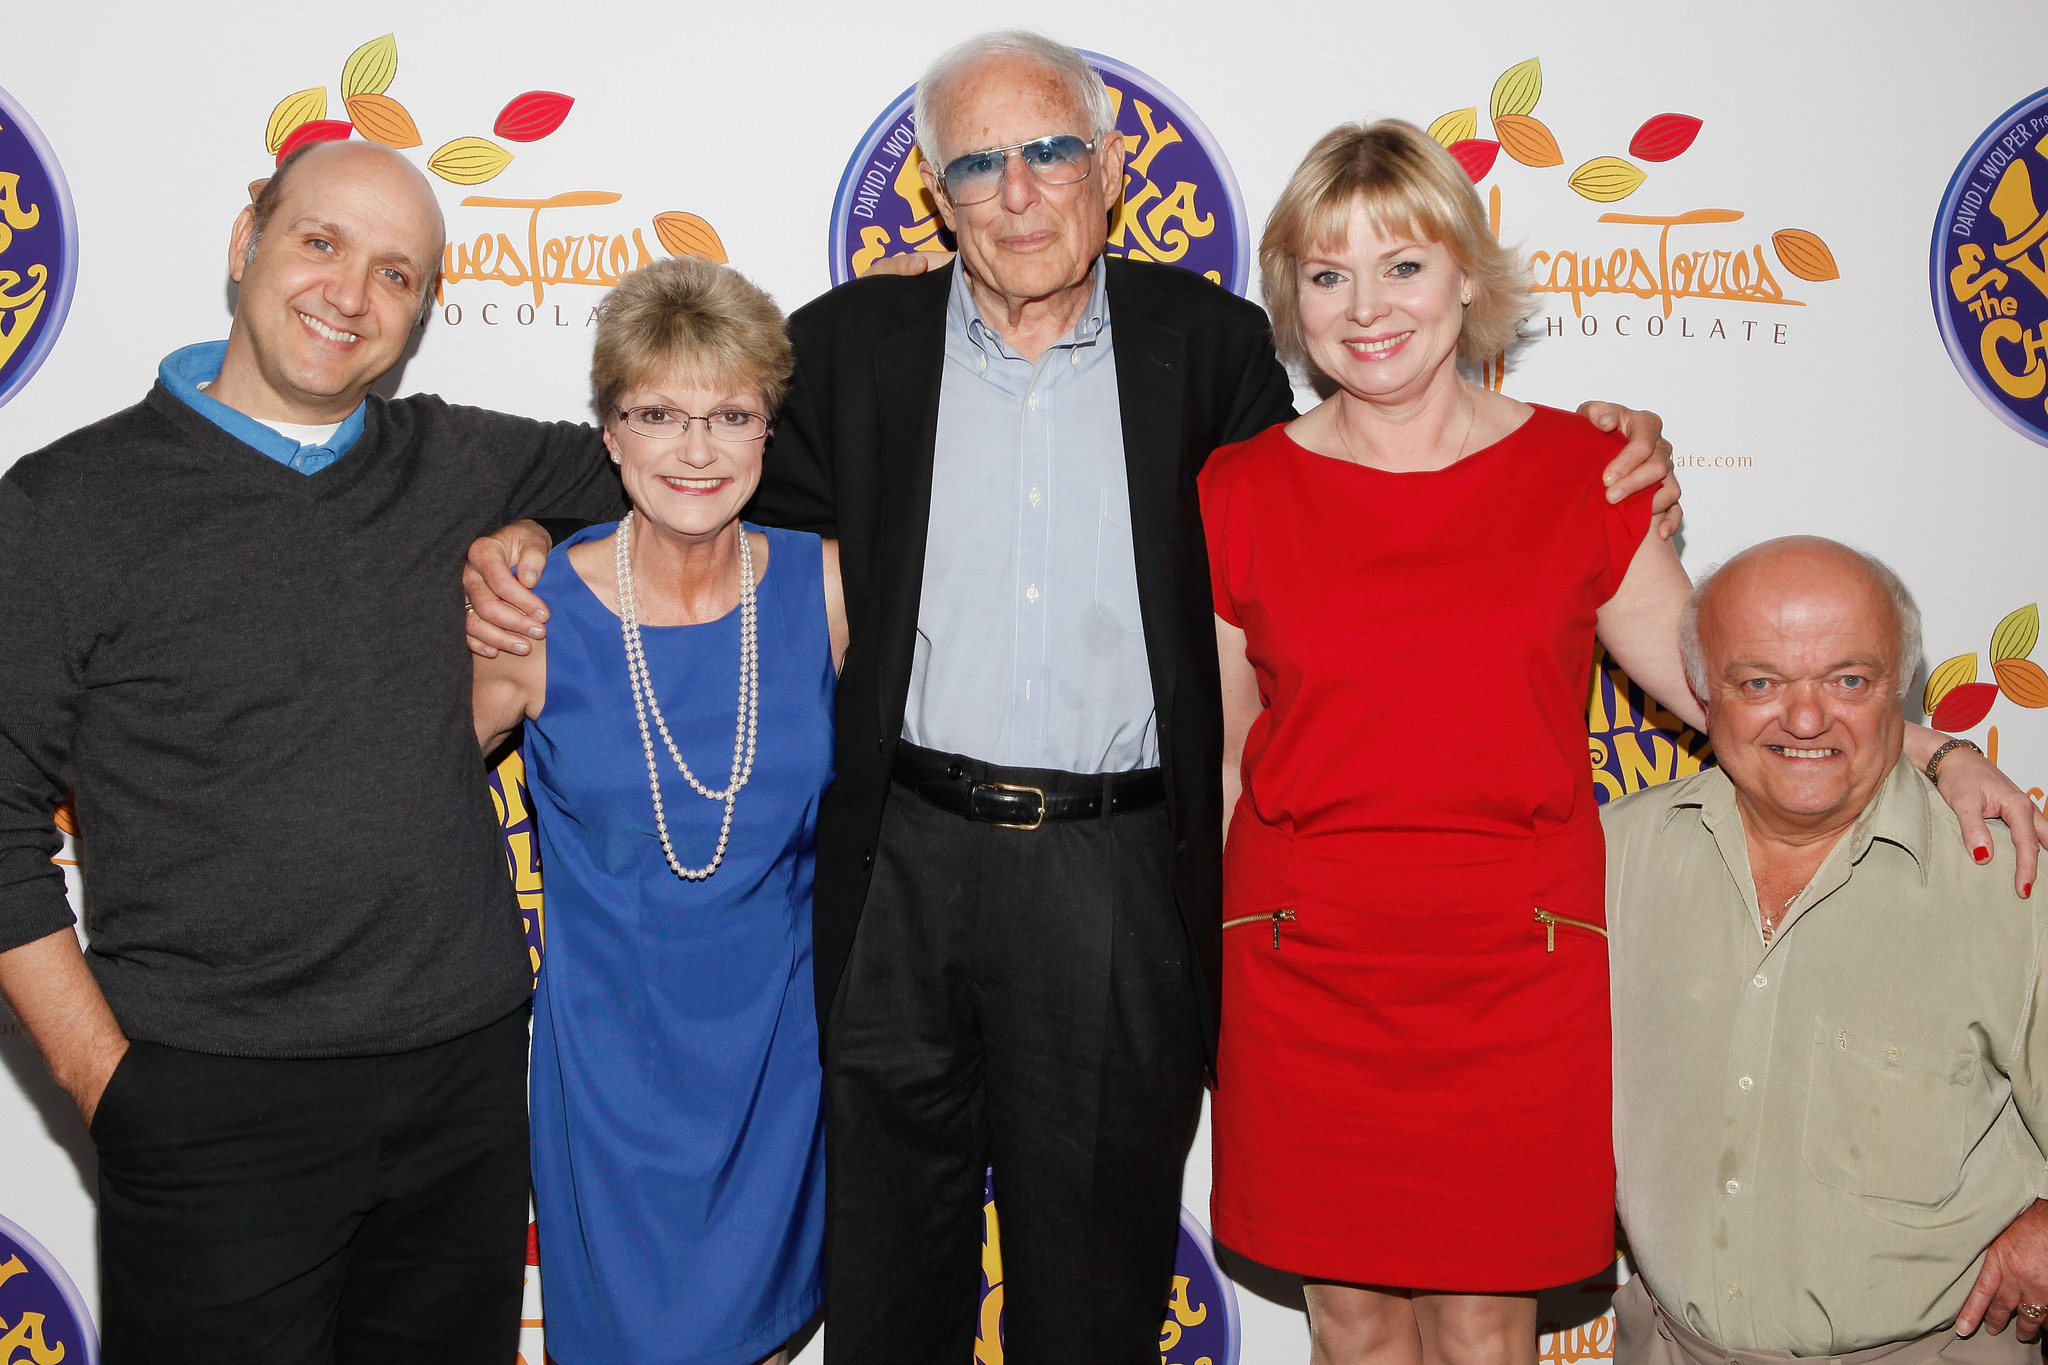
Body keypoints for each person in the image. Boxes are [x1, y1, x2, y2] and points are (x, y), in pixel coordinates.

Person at [455, 30, 1672, 1364]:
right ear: (936, 195)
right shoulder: (851, 347)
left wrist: (1606, 445)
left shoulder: (1207, 351)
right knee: (888, 1280)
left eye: (1049, 152)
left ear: (1107, 168)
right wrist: (524, 527)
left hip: (1117, 871)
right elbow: (693, 458)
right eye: (980, 164)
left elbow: (1367, 494)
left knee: (1094, 1293)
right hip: (900, 868)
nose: (1019, 191)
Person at [1203, 122, 2048, 1365]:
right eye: (1327, 276)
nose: (1366, 308)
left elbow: (1732, 694)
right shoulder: (1237, 490)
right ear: (1291, 301)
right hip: (1306, 969)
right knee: (1352, 1322)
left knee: (1489, 1323)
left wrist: (1937, 755)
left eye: (1402, 266)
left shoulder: (1579, 472)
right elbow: (1232, 757)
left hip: (1512, 969)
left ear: (1466, 281)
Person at [0, 139, 625, 1360]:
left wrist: (534, 525)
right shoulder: (64, 507)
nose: (350, 294)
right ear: (246, 248)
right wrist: (106, 1088)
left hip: (465, 1083)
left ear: (422, 311)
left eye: (396, 273)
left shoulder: (459, 457)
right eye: (321, 243)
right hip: (210, 1099)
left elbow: (674, 461)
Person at [472, 256, 846, 1365]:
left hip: (782, 1067)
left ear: (768, 431)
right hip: (612, 1083)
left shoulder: (825, 590)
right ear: (609, 434)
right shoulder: (529, 613)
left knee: (765, 1341)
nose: (696, 449)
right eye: (659, 414)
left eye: (730, 414)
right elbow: (403, 798)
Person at [1603, 536, 2048, 1365]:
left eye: (1849, 679)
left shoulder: (2006, 882)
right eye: (1761, 682)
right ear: (1704, 690)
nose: (1806, 719)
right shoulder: (1612, 857)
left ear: (1901, 690)